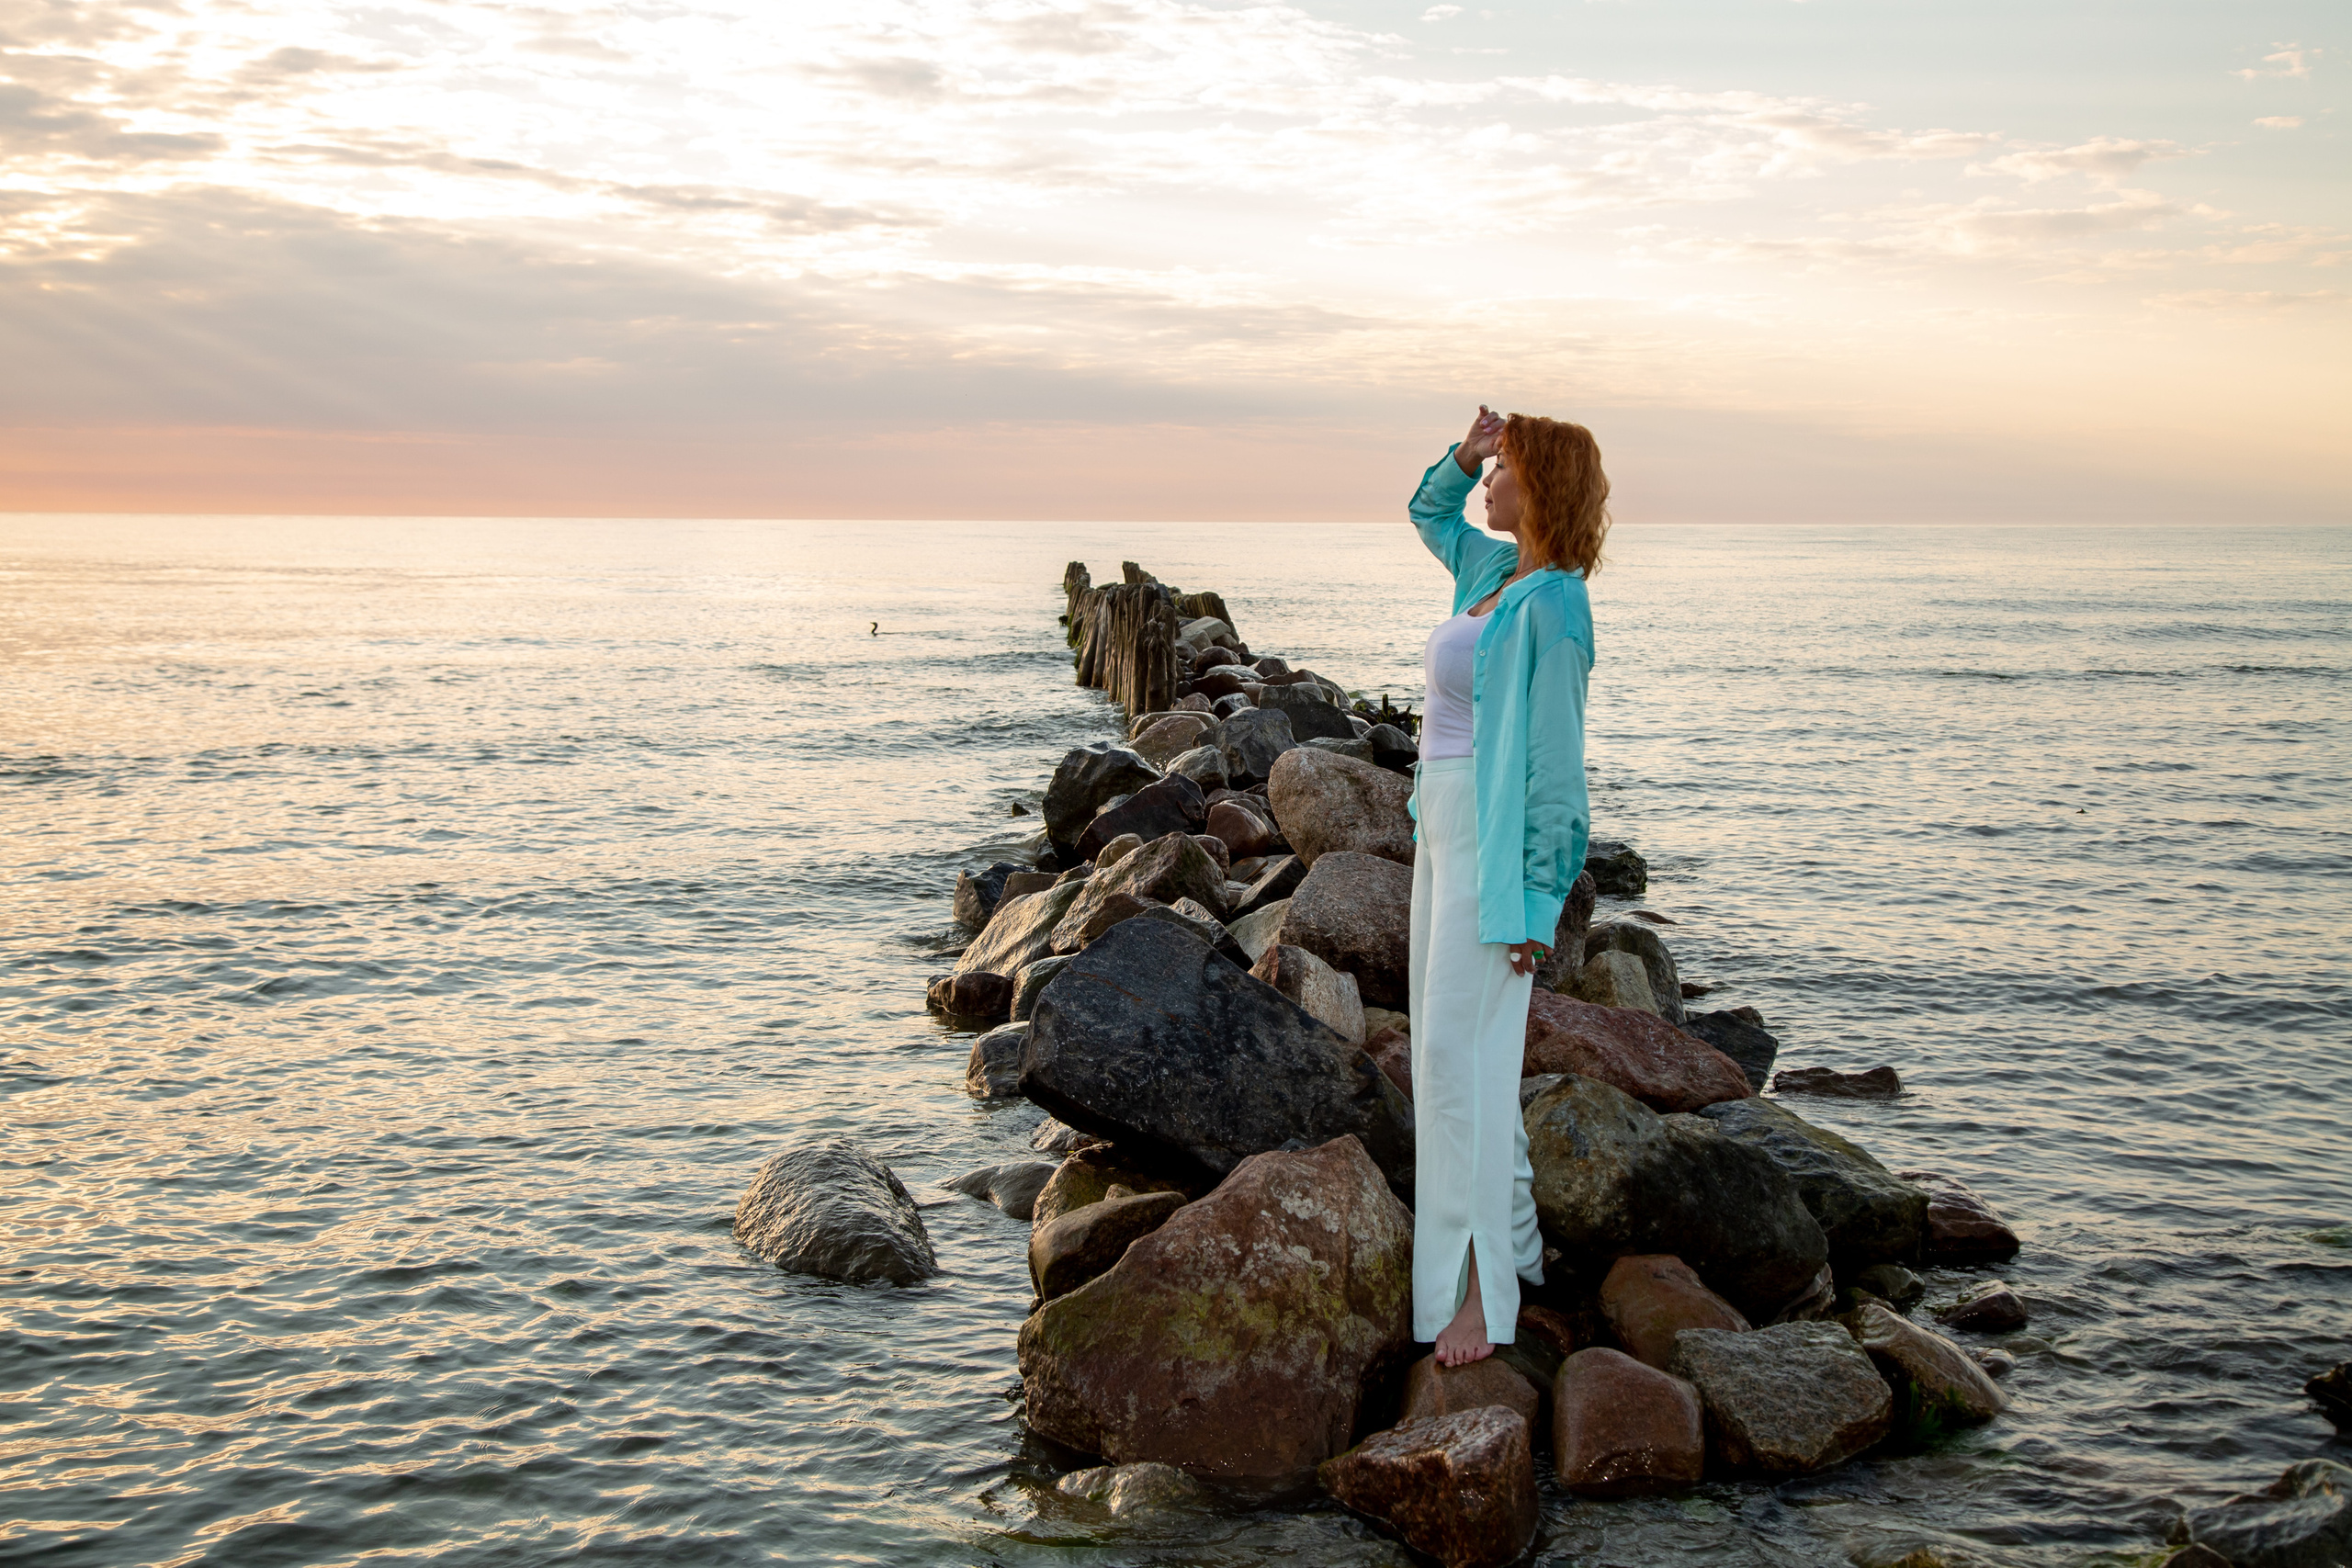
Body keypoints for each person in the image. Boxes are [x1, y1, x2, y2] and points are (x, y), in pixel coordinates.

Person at [1406, 404, 1607, 1366]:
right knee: (1457, 1054)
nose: (1489, 481)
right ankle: (1519, 1246)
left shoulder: (1556, 608)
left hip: (1492, 849)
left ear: (1543, 484)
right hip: (1442, 832)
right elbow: (1427, 512)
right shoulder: (1492, 575)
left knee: (1456, 1063)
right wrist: (1465, 450)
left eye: (1504, 467)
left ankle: (1484, 1297)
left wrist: (1537, 900)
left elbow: (1556, 772)